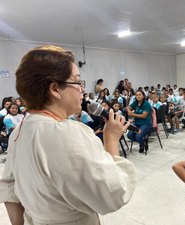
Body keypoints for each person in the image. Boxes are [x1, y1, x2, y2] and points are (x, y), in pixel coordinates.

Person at [0, 45, 137, 225]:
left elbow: (9, 188)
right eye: (77, 82)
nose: (82, 90)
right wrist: (111, 139)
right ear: (55, 89)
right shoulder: (68, 133)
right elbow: (113, 194)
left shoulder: (19, 132)